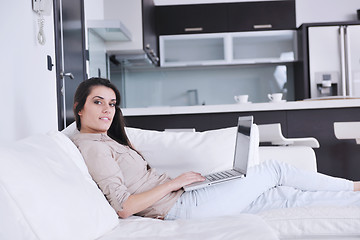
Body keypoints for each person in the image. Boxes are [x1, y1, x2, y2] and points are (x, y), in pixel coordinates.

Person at [70, 77, 360, 220]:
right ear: (79, 108)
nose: (107, 110)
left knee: (284, 197)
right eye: (98, 102)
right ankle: (354, 187)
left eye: (111, 103)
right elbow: (123, 207)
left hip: (186, 198)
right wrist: (178, 182)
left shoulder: (107, 140)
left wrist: (183, 184)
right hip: (181, 207)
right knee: (275, 170)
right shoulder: (93, 148)